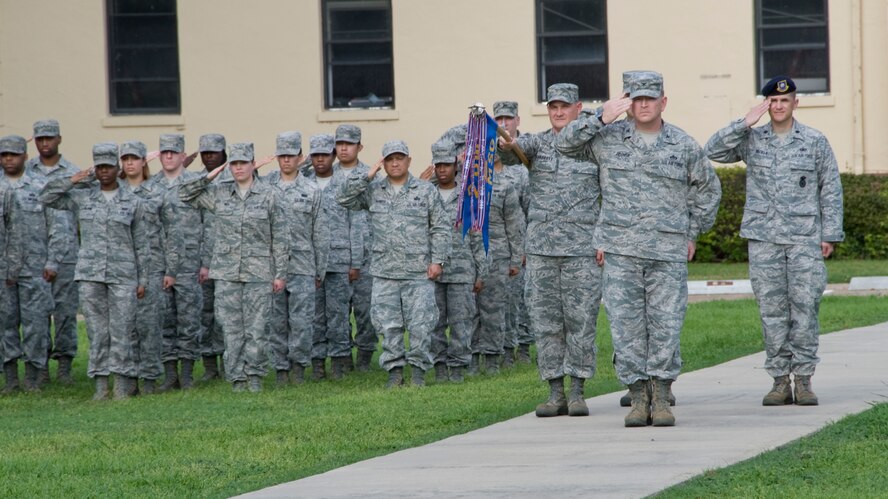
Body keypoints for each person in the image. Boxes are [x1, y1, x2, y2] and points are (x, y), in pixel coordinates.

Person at [555, 71, 722, 427]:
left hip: (667, 252)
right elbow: (564, 144)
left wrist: (691, 231)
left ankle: (661, 396)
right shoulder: (607, 138)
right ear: (627, 101)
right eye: (636, 98)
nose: (644, 104)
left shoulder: (682, 144)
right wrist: (600, 116)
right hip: (621, 251)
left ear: (664, 101)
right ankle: (637, 395)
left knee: (666, 324)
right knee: (626, 327)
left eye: (650, 98)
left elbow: (708, 190)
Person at [705, 75, 844, 407]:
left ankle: (805, 379)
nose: (779, 106)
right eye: (773, 101)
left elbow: (831, 188)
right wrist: (743, 122)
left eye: (785, 100)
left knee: (805, 309)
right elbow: (712, 150)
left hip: (804, 238)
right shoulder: (752, 139)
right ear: (766, 104)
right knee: (772, 311)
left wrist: (830, 234)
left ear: (795, 103)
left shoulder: (814, 141)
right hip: (764, 238)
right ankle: (780, 381)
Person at [499, 83, 603, 417]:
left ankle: (577, 391)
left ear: (578, 107)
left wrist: (603, 239)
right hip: (542, 250)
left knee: (581, 320)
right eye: (553, 107)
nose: (558, 112)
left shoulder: (593, 146)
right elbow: (510, 151)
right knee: (545, 321)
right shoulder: (538, 144)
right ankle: (554, 391)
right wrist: (505, 142)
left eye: (564, 106)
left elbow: (611, 194)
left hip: (581, 249)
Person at [41, 142, 149, 400]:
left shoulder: (133, 201)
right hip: (90, 275)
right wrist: (72, 179)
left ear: (117, 168)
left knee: (123, 329)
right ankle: (101, 385)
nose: (103, 172)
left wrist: (142, 278)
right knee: (97, 331)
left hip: (123, 275)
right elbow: (45, 197)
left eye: (108, 167)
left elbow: (142, 244)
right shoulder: (82, 196)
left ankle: (122, 385)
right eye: (99, 167)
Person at [337, 140, 450, 388]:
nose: (395, 163)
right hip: (385, 272)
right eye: (389, 159)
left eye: (400, 158)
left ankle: (419, 372)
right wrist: (365, 177)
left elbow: (440, 228)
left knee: (421, 325)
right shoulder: (373, 191)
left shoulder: (425, 191)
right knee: (389, 326)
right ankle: (395, 372)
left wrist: (437, 260)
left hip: (418, 272)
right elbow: (342, 198)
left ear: (409, 161)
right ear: (383, 162)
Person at [180, 142, 288, 393]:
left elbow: (281, 237)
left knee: (258, 328)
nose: (238, 168)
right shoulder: (219, 193)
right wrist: (211, 175)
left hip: (259, 272)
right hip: (227, 273)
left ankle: (255, 376)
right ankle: (237, 378)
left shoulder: (270, 195)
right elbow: (184, 194)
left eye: (243, 163)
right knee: (231, 329)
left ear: (253, 164)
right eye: (234, 163)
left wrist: (280, 273)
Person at [264, 131, 328, 384]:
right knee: (276, 322)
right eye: (282, 156)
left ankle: (299, 368)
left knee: (302, 322)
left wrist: (319, 271)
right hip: (272, 268)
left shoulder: (311, 190)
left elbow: (320, 234)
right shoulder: (266, 188)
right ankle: (280, 370)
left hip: (303, 266)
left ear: (301, 157)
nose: (287, 161)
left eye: (291, 155)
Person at [119, 141, 180, 394]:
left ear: (145, 161)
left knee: (150, 327)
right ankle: (129, 378)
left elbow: (173, 232)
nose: (130, 163)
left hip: (153, 268)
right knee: (126, 327)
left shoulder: (157, 193)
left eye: (135, 158)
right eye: (125, 159)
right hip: (121, 270)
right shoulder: (115, 193)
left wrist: (171, 269)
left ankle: (149, 380)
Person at [145, 134, 204, 391]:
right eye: (164, 152)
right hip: (159, 262)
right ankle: (170, 374)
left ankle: (188, 373)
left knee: (189, 318)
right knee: (165, 318)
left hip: (191, 262)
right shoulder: (150, 186)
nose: (168, 156)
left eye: (173, 152)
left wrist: (207, 261)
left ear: (183, 155)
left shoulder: (195, 183)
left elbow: (209, 223)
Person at [1, 135, 59, 392]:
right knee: (5, 323)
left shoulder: (41, 185)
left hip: (35, 267)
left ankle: (35, 376)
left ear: (25, 156)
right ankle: (11, 377)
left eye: (13, 154)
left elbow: (56, 227)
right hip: (2, 269)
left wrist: (52, 261)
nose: (8, 159)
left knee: (36, 323)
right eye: (4, 155)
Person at [24, 119, 80, 385]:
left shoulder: (72, 172)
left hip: (67, 254)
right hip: (33, 253)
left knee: (66, 313)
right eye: (39, 139)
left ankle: (66, 365)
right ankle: (41, 364)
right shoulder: (25, 171)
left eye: (49, 138)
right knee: (37, 313)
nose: (44, 143)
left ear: (59, 139)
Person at [427, 140, 486, 383]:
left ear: (456, 164)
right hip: (433, 270)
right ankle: (440, 366)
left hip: (462, 270)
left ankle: (459, 368)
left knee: (462, 322)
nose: (442, 170)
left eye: (447, 165)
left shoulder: (468, 194)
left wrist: (480, 271)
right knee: (434, 321)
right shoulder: (424, 193)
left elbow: (477, 235)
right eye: (438, 165)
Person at [303, 134, 360, 381]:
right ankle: (317, 362)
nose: (319, 160)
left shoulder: (344, 184)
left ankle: (338, 361)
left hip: (339, 261)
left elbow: (355, 224)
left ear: (333, 156)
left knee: (337, 315)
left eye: (324, 155)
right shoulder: (303, 184)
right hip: (310, 262)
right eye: (315, 155)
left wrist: (355, 261)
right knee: (314, 315)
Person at [469, 153, 525, 376]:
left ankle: (493, 357)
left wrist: (515, 258)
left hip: (497, 255)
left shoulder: (504, 186)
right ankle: (471, 357)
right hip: (467, 258)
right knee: (469, 311)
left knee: (493, 309)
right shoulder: (464, 187)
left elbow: (514, 224)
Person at [491, 100, 532, 365]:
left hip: (524, 241)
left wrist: (526, 247)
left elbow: (531, 207)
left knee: (524, 297)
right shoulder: (486, 154)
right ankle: (502, 348)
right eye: (499, 119)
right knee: (499, 299)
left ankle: (524, 347)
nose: (504, 123)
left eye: (509, 118)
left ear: (518, 120)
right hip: (496, 244)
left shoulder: (525, 155)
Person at [334, 124, 376, 371]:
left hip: (366, 257)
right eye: (339, 144)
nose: (344, 148)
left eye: (349, 144)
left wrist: (359, 260)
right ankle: (342, 358)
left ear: (359, 147)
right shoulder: (327, 175)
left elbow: (366, 220)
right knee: (338, 312)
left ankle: (365, 357)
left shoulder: (370, 175)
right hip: (335, 256)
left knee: (365, 311)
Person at [196, 133, 228, 382]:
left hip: (229, 260)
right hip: (200, 260)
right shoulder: (197, 181)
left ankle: (230, 362)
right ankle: (209, 365)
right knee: (205, 313)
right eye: (205, 153)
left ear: (223, 153)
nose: (209, 157)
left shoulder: (237, 178)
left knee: (228, 314)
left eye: (213, 153)